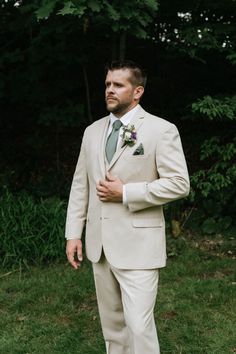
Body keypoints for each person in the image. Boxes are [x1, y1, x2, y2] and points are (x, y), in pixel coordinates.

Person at [65, 60, 190, 354]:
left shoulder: (161, 130)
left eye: (118, 85)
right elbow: (80, 185)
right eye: (108, 84)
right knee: (113, 329)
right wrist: (73, 233)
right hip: (99, 247)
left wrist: (126, 192)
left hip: (139, 246)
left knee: (139, 327)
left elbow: (179, 183)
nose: (110, 90)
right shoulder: (92, 132)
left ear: (137, 92)